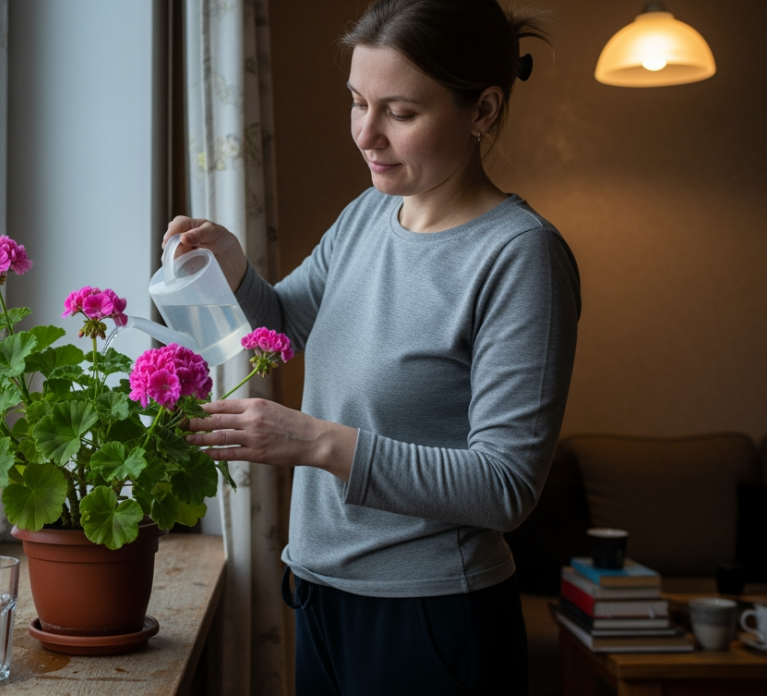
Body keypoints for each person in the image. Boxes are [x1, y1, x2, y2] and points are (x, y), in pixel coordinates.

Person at [169, 0, 579, 693]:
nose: (366, 134)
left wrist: (316, 442)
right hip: (322, 592)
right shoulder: (367, 214)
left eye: (401, 112)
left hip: (434, 620)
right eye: (358, 103)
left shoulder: (520, 257)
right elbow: (284, 326)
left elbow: (506, 486)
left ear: (482, 111)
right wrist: (234, 268)